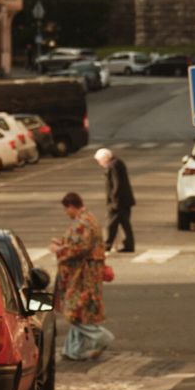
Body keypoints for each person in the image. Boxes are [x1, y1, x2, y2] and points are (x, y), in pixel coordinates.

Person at [51, 192, 114, 363]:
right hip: (86, 274)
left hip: (82, 275)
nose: (67, 214)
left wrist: (60, 250)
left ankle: (102, 337)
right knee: (80, 312)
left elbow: (80, 248)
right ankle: (72, 350)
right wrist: (63, 245)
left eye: (67, 210)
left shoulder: (83, 223)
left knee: (74, 310)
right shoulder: (89, 219)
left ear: (71, 206)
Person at [94, 146, 136, 254]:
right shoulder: (117, 163)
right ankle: (129, 245)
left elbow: (117, 184)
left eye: (99, 161)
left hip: (118, 202)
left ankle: (107, 245)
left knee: (111, 224)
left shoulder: (113, 165)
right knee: (125, 224)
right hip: (124, 200)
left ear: (105, 158)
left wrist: (114, 201)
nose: (100, 164)